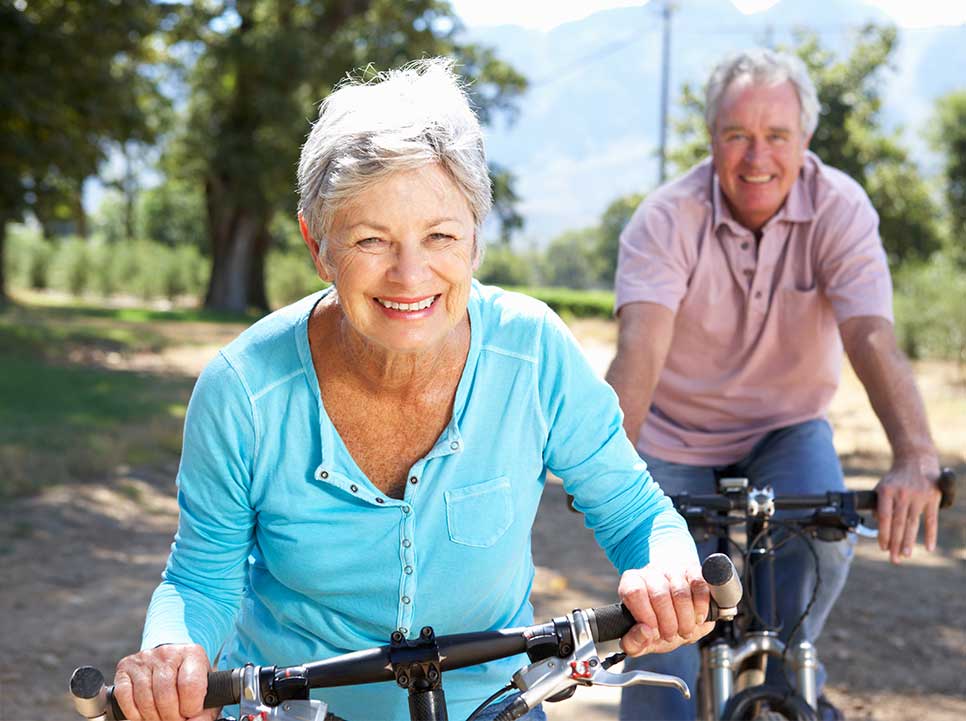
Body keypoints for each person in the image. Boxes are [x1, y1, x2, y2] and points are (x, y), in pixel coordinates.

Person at [112, 59, 713, 721]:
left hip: (490, 702)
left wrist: (665, 564)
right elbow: (201, 574)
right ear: (319, 246)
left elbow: (635, 513)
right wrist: (172, 651)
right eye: (372, 239)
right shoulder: (243, 390)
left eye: (440, 235)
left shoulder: (534, 351)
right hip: (296, 708)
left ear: (476, 239)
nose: (410, 274)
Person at [609, 48, 944, 721]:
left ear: (806, 141)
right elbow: (639, 352)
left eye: (776, 136)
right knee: (664, 635)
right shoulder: (665, 219)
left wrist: (914, 457)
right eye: (737, 135)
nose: (756, 156)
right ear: (711, 140)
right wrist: (608, 472)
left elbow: (870, 336)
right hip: (675, 433)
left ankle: (786, 674)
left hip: (786, 428)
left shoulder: (840, 208)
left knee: (825, 538)